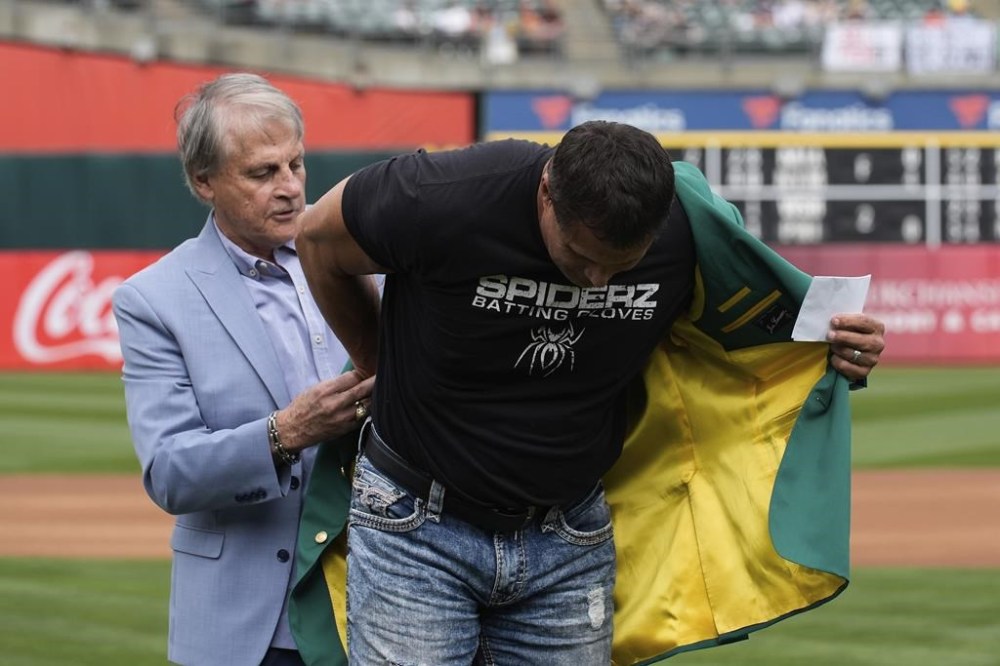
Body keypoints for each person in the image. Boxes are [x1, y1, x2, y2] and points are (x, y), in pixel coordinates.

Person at [292, 120, 887, 665]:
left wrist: (837, 352)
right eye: (580, 255)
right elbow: (317, 239)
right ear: (547, 191)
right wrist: (379, 363)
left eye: (622, 266)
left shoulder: (684, 231)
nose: (599, 279)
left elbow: (764, 333)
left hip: (569, 540)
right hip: (415, 528)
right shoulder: (440, 195)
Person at [111, 73, 375, 666]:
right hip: (249, 631)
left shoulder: (369, 268)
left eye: (297, 165)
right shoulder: (154, 299)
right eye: (262, 173)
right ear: (203, 181)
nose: (290, 189)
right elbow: (171, 471)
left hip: (374, 613)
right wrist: (284, 434)